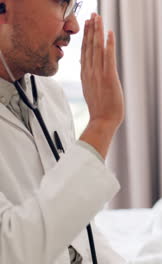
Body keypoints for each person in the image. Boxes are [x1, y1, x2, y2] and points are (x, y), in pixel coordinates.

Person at [0, 0, 125, 263]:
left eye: (74, 8)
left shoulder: (49, 95)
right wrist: (101, 124)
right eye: (60, 4)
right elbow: (10, 250)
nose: (74, 26)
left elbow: (80, 232)